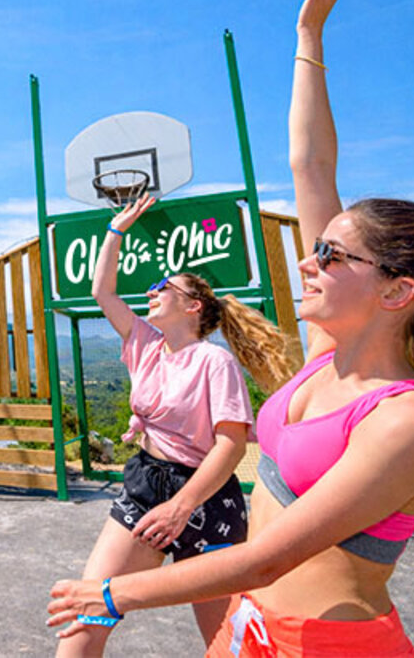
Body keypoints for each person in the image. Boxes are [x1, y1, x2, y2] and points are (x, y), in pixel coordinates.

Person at [48, 0, 414, 657]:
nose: (308, 259)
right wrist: (309, 38)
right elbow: (312, 165)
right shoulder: (329, 356)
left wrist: (112, 594)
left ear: (398, 290)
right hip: (253, 630)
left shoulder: (408, 419)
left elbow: (268, 558)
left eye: (331, 254)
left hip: (328, 644)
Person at [58, 194, 293, 656]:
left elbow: (230, 445)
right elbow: (103, 292)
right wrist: (116, 230)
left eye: (162, 286)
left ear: (193, 307)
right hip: (146, 485)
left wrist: (182, 506)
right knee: (85, 617)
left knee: (229, 642)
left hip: (206, 496)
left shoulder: (214, 361)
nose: (151, 291)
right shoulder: (144, 343)